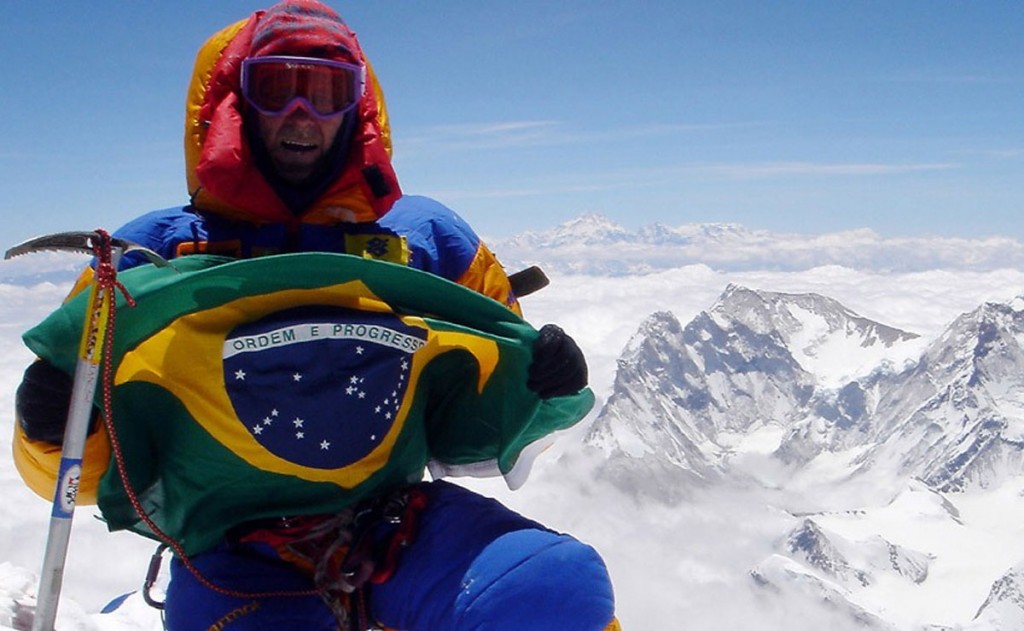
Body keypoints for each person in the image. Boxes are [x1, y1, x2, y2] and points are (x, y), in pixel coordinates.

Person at [12, 2, 618, 630]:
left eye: (326, 91)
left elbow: (472, 427)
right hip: (229, 544)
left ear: (358, 107)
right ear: (235, 102)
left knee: (552, 590)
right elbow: (84, 469)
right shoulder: (149, 259)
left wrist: (539, 387)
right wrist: (52, 427)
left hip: (391, 518)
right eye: (277, 88)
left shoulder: (430, 242)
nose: (301, 114)